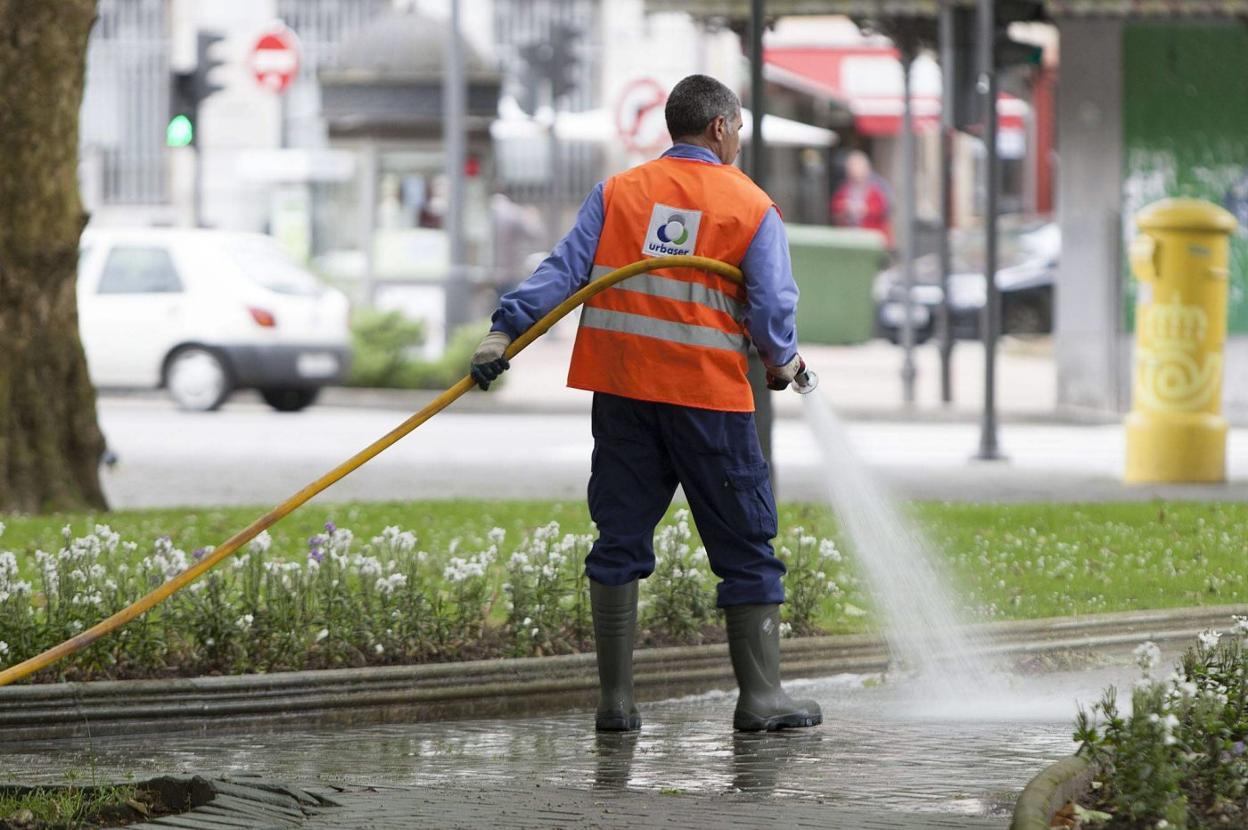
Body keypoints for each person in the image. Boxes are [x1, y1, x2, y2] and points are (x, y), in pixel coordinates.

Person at [470, 74, 821, 734]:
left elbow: (563, 270)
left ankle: (616, 702)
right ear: (719, 127)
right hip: (707, 400)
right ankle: (761, 698)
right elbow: (774, 308)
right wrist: (781, 363)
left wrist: (504, 332)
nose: (738, 141)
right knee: (746, 545)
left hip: (624, 393)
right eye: (738, 130)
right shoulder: (751, 206)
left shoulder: (618, 193)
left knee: (619, 538)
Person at [830, 150, 893, 247]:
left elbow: (884, 210)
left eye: (858, 167)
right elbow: (835, 210)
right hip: (850, 240)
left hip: (872, 240)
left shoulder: (877, 188)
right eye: (852, 168)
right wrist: (845, 208)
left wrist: (865, 210)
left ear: (866, 169)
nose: (855, 172)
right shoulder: (843, 190)